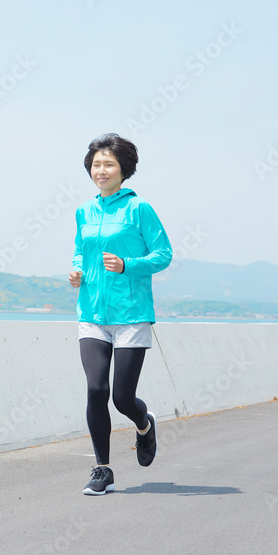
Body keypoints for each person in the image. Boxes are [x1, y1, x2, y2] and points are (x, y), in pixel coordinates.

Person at [70, 133, 172, 495]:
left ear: (123, 169)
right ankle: (103, 470)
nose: (101, 170)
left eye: (109, 164)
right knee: (96, 389)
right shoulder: (84, 211)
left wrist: (128, 264)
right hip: (92, 313)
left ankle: (144, 424)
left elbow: (163, 254)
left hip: (131, 313)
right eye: (96, 164)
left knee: (122, 398)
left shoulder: (139, 209)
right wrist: (76, 270)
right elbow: (80, 250)